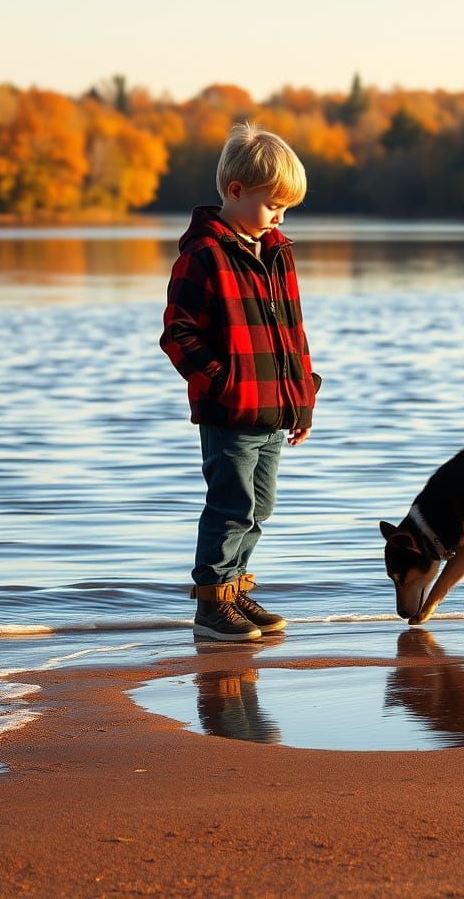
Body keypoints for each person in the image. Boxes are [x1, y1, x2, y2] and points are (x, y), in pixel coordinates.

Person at [160, 123, 320, 641]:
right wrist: (224, 383)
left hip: (276, 410)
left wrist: (303, 399)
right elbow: (178, 334)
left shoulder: (277, 252)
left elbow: (291, 333)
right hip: (230, 412)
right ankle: (212, 605)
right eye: (274, 204)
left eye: (286, 208)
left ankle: (235, 591)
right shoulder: (203, 256)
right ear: (236, 192)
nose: (280, 216)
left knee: (260, 507)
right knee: (231, 506)